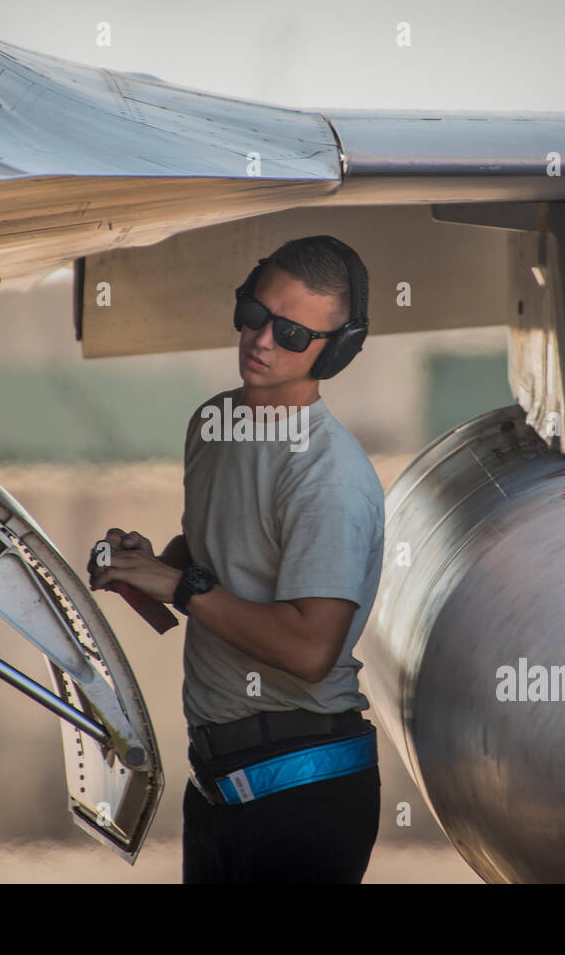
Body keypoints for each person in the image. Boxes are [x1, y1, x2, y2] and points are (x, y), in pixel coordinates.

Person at [88, 235, 385, 883]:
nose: (262, 340)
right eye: (254, 315)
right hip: (220, 780)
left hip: (305, 785)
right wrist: (151, 566)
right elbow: (217, 551)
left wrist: (182, 585)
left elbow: (312, 650)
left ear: (335, 351)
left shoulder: (327, 478)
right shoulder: (213, 423)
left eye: (290, 333)